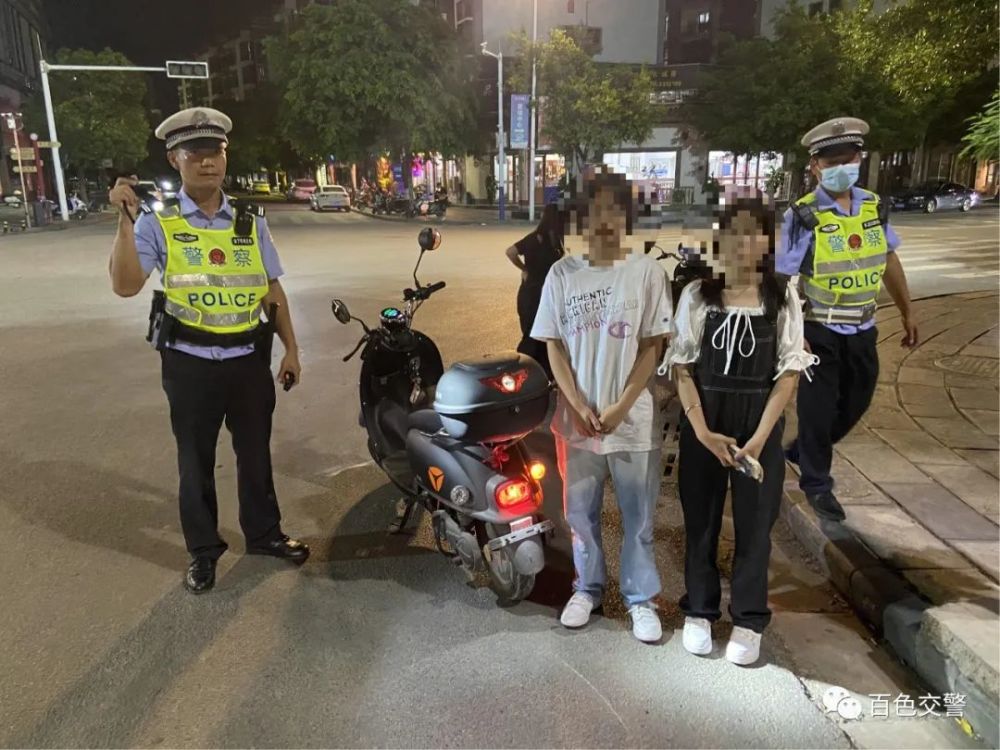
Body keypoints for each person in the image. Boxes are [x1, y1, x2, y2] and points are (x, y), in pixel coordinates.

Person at [108, 107, 309, 594]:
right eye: (194, 153)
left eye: (214, 151)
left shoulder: (249, 219)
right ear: (174, 160)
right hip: (190, 365)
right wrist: (124, 221)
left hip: (247, 361)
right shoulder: (159, 222)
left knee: (255, 454)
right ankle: (203, 550)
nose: (206, 162)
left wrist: (291, 349)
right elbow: (126, 285)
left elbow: (271, 288)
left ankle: (264, 533)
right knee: (195, 461)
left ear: (225, 156)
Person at [662, 187, 816, 666]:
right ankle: (700, 610)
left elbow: (789, 373)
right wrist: (702, 432)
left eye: (754, 234)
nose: (743, 244)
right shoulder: (697, 296)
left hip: (758, 432)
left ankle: (749, 619)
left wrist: (759, 438)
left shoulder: (782, 297)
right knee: (701, 523)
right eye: (733, 234)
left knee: (755, 529)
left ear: (767, 241)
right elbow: (681, 368)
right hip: (704, 429)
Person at [531, 166, 672, 643]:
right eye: (594, 211)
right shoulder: (562, 274)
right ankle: (587, 588)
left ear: (627, 217)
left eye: (614, 210)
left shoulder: (646, 273)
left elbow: (652, 347)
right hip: (576, 425)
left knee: (639, 519)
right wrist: (576, 404)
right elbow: (553, 345)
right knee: (579, 515)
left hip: (632, 423)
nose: (604, 220)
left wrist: (619, 407)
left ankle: (640, 598)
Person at [780, 117, 918, 522]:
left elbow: (888, 260)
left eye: (848, 159)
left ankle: (804, 449)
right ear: (815, 167)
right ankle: (817, 483)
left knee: (857, 401)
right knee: (818, 409)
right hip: (819, 329)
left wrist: (908, 310)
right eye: (832, 162)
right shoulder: (803, 215)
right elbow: (783, 279)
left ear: (860, 159)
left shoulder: (874, 207)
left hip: (863, 328)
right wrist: (793, 332)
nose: (841, 168)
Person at [504, 202, 565, 377]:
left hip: (531, 294)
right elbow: (510, 252)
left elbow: (511, 252)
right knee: (537, 336)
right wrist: (524, 268)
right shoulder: (551, 241)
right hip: (539, 296)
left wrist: (525, 269)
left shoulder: (539, 238)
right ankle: (524, 373)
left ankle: (535, 374)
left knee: (536, 335)